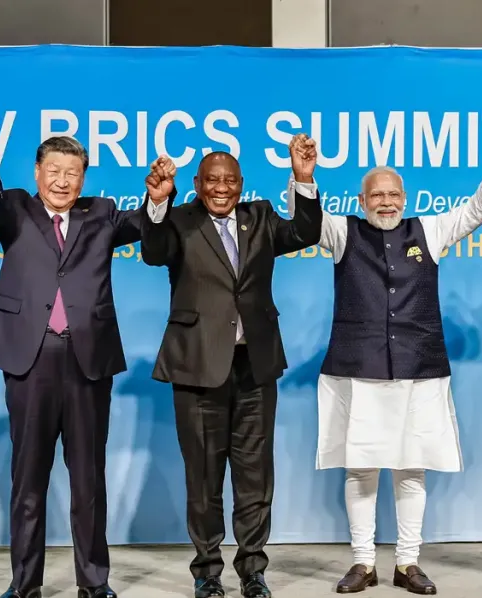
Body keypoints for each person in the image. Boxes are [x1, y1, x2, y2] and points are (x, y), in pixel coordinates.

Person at [284, 127, 482, 594]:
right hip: (356, 371)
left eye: (394, 193)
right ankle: (362, 563)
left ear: (406, 197)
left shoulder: (430, 231)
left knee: (410, 467)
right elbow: (306, 223)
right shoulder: (342, 233)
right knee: (360, 469)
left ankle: (407, 563)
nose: (386, 201)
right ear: (361, 201)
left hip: (419, 370)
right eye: (376, 194)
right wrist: (303, 176)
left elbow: (480, 207)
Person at [0, 135, 141, 598]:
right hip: (28, 359)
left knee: (88, 481)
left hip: (87, 360)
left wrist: (158, 198)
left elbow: (144, 228)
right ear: (36, 172)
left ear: (83, 178)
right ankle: (24, 585)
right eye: (53, 170)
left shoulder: (101, 212)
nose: (62, 180)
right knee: (28, 480)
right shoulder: (13, 206)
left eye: (72, 172)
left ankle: (95, 584)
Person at [138, 138, 323, 598]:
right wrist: (157, 202)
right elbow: (154, 251)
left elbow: (306, 232)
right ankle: (207, 572)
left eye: (230, 180)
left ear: (241, 185)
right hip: (197, 367)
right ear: (197, 185)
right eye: (212, 180)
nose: (222, 187)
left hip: (254, 367)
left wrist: (302, 178)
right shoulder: (179, 220)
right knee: (203, 479)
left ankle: (253, 570)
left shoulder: (259, 217)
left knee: (255, 477)